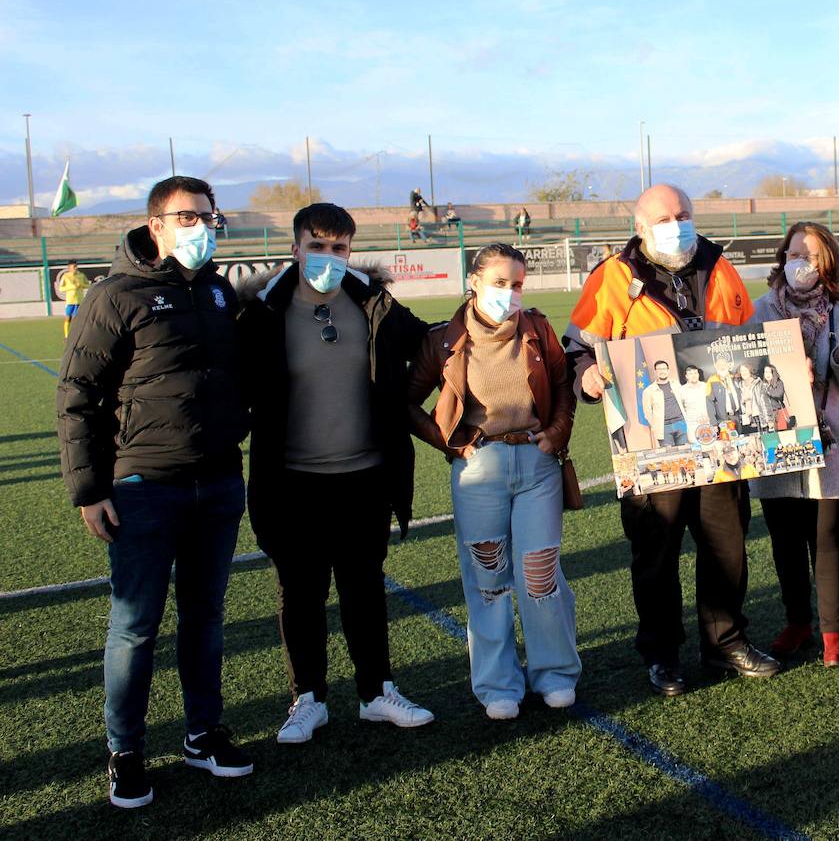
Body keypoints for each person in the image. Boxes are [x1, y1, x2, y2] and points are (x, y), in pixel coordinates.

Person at [56, 176, 250, 808]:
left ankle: (202, 734)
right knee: (135, 626)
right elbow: (78, 396)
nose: (201, 227)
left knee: (204, 617)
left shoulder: (218, 290)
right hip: (142, 487)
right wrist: (89, 489)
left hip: (218, 481)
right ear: (157, 225)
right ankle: (126, 750)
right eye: (187, 217)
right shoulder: (115, 295)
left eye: (208, 216)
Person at [563, 183, 779, 696]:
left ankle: (725, 642)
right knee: (655, 552)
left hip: (721, 438)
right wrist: (587, 377)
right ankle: (661, 655)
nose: (675, 224)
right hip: (649, 446)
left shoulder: (719, 265)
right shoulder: (612, 277)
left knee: (726, 545)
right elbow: (577, 351)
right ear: (640, 227)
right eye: (662, 218)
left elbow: (749, 339)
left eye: (682, 214)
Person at [237, 203, 435, 746]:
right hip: (291, 480)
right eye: (317, 246)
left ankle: (376, 693)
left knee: (364, 588)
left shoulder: (375, 304)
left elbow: (434, 345)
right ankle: (309, 699)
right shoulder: (260, 312)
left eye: (340, 248)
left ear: (351, 251)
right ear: (295, 247)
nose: (329, 258)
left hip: (366, 476)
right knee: (299, 594)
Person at [408, 243, 579, 719]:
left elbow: (563, 385)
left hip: (538, 465)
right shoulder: (443, 339)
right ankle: (498, 683)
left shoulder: (539, 330)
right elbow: (407, 401)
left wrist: (556, 432)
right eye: (500, 283)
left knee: (539, 574)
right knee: (487, 580)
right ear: (474, 281)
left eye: (517, 284)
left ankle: (555, 673)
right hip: (479, 470)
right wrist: (451, 445)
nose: (510, 292)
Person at [751, 222, 839, 667]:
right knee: (784, 538)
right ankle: (797, 622)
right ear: (783, 257)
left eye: (813, 256)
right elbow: (743, 368)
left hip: (828, 440)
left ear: (827, 264)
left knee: (826, 538)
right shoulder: (762, 308)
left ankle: (833, 633)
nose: (802, 262)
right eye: (796, 253)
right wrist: (781, 372)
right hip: (776, 438)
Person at [641, 360, 690, 447]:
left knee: (685, 452)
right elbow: (647, 412)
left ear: (668, 370)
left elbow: (684, 402)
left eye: (664, 369)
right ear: (655, 371)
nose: (662, 371)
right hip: (663, 427)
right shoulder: (649, 391)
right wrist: (655, 426)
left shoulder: (676, 384)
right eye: (659, 369)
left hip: (681, 423)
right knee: (669, 456)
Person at [55, 259, 91, 338]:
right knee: (68, 318)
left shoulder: (81, 275)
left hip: (79, 301)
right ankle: (66, 335)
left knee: (76, 319)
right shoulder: (65, 276)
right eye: (74, 266)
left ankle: (75, 334)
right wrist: (72, 287)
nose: (75, 267)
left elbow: (88, 284)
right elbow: (61, 288)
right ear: (69, 267)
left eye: (76, 266)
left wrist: (81, 285)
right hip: (70, 301)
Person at [677, 365, 714, 440]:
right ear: (686, 376)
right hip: (692, 425)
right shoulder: (681, 390)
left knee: (710, 446)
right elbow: (681, 408)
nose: (693, 375)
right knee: (696, 448)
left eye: (695, 373)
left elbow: (712, 403)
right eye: (690, 373)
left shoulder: (706, 386)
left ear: (698, 374)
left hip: (707, 422)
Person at [736, 362, 766, 433]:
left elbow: (764, 401)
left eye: (745, 370)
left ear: (750, 371)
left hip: (758, 416)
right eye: (742, 371)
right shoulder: (739, 385)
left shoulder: (758, 383)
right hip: (746, 418)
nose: (744, 372)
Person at [760, 363, 791, 431]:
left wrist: (767, 390)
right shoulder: (762, 385)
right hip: (768, 414)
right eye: (765, 372)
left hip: (779, 411)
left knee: (783, 433)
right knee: (773, 435)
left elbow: (778, 395)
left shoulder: (779, 383)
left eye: (769, 372)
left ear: (773, 373)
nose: (767, 374)